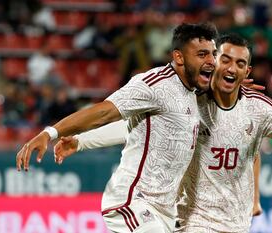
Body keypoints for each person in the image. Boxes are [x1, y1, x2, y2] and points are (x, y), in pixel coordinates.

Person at [54, 34, 272, 233]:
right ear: (214, 62)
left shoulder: (260, 109)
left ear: (248, 71)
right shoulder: (189, 99)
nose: (231, 68)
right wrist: (82, 141)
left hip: (236, 223)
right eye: (226, 60)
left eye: (240, 63)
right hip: (191, 220)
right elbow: (131, 127)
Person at [16, 22, 218, 233]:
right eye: (202, 54)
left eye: (213, 54)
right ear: (179, 57)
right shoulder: (154, 85)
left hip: (166, 210)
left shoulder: (194, 94)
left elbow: (129, 127)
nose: (212, 61)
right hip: (132, 201)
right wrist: (51, 132)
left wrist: (82, 141)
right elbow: (104, 112)